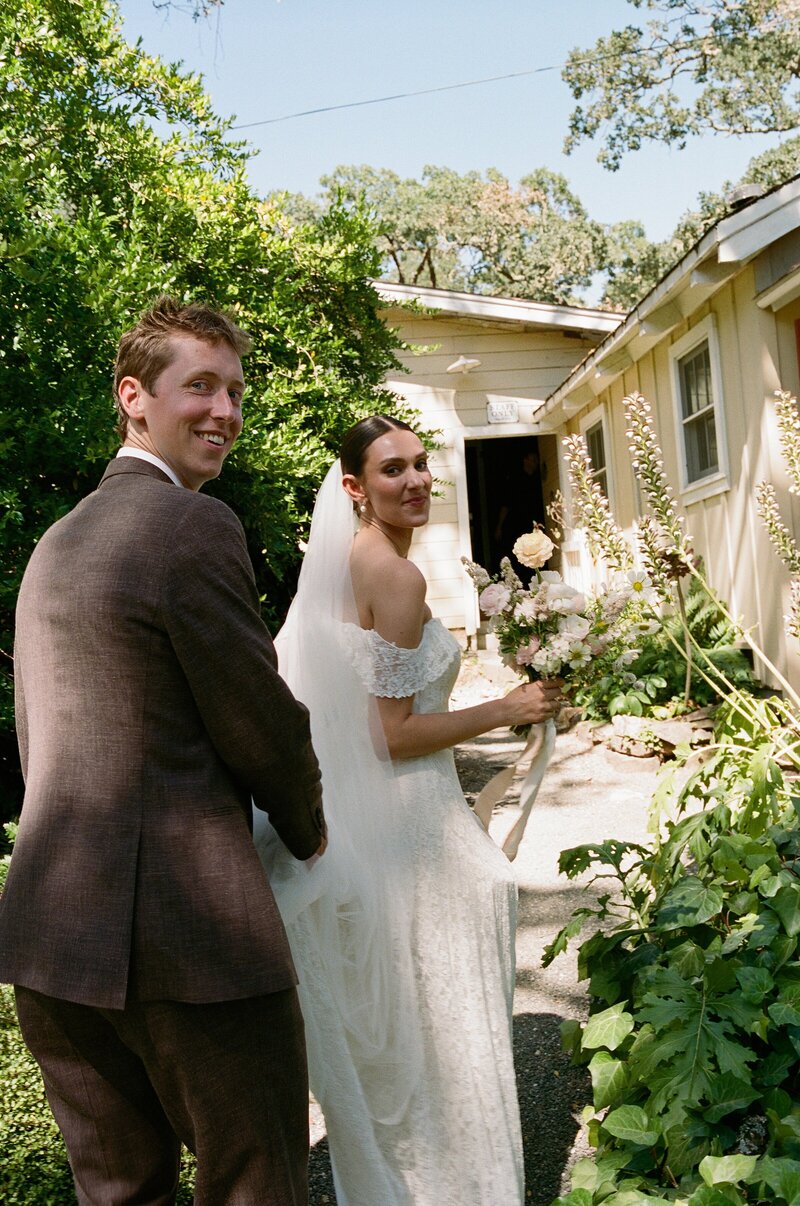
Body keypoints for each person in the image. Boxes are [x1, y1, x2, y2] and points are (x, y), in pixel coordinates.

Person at [0, 298, 327, 1205]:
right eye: (200, 386)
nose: (224, 411)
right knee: (254, 1181)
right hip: (192, 944)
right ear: (134, 397)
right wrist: (309, 827)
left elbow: (45, 737)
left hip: (51, 940)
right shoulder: (191, 525)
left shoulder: (55, 544)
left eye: (235, 391)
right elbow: (260, 719)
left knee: (119, 1193)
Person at [255, 414, 560, 1205]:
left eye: (422, 465)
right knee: (451, 1029)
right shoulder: (394, 576)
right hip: (411, 823)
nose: (417, 480)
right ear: (354, 488)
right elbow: (387, 735)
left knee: (420, 1032)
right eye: (393, 471)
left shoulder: (348, 566)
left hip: (378, 827)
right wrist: (508, 709)